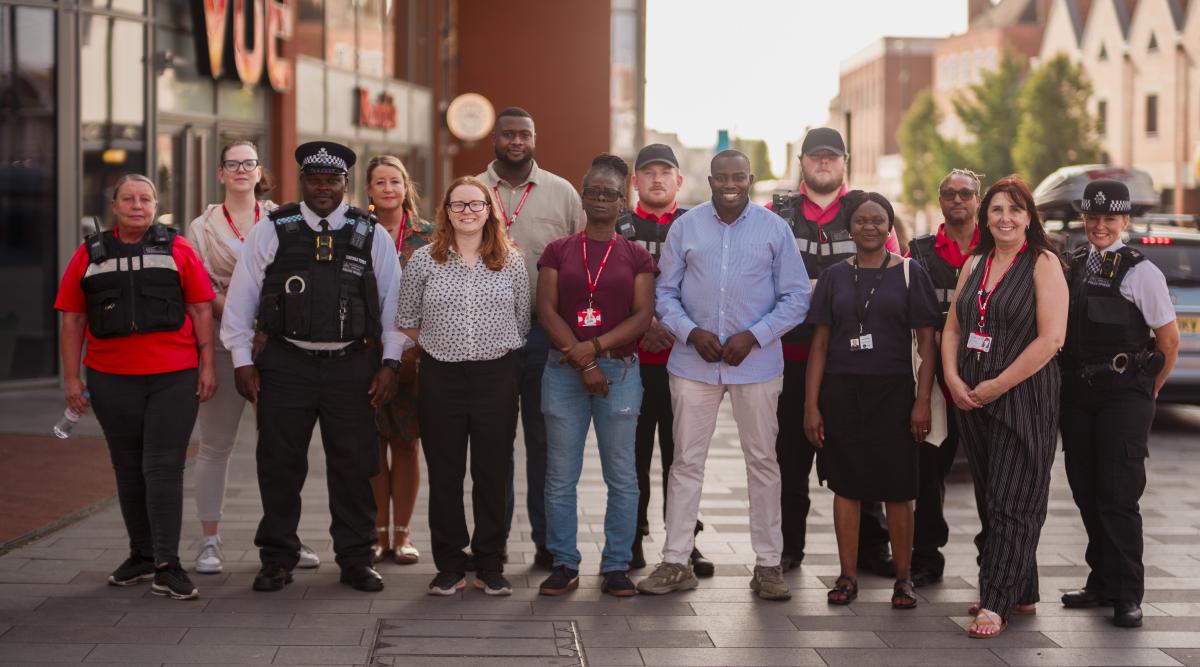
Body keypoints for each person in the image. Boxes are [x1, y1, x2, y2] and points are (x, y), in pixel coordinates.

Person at [222, 141, 405, 594]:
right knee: (279, 464)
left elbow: (395, 303)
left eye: (332, 180)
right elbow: (242, 296)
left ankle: (356, 558)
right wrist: (242, 360)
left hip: (352, 365)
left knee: (355, 464)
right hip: (286, 363)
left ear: (345, 184)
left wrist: (390, 363)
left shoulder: (370, 232)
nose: (323, 188)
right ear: (302, 181)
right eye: (314, 179)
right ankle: (277, 557)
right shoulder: (272, 229)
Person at [638, 150, 810, 601]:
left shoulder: (775, 229)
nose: (730, 183)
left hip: (756, 364)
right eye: (721, 177)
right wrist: (689, 332)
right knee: (685, 463)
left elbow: (796, 297)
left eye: (738, 176)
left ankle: (768, 565)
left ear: (750, 179)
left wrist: (755, 336)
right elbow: (664, 292)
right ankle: (676, 561)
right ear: (709, 180)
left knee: (763, 463)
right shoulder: (686, 227)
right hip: (693, 363)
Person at [55, 174, 216, 600]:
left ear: (156, 204)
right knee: (127, 468)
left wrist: (207, 367)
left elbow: (201, 310)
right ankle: (141, 556)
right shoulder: (89, 254)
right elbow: (72, 319)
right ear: (114, 205)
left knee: (162, 467)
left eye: (145, 198)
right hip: (110, 380)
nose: (137, 205)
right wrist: (72, 379)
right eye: (129, 198)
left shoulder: (178, 249)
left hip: (174, 377)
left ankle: (168, 564)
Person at [941, 176, 1068, 638]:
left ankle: (995, 601)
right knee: (993, 500)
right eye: (996, 210)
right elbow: (953, 328)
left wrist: (998, 384)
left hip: (1024, 396)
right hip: (973, 398)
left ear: (1029, 216)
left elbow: (1052, 339)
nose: (1005, 218)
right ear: (985, 217)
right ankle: (1021, 591)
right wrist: (954, 379)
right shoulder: (974, 263)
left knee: (1015, 501)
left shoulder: (1043, 262)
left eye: (1015, 210)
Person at [186, 140, 320, 575]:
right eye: (232, 164)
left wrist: (268, 326)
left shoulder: (285, 218)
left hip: (279, 346)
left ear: (259, 171)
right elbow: (202, 292)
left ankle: (286, 538)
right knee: (215, 446)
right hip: (228, 346)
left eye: (249, 163)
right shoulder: (201, 228)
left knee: (283, 448)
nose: (241, 170)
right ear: (221, 173)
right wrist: (246, 317)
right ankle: (209, 541)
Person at [802, 192, 940, 610]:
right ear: (849, 227)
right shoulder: (833, 277)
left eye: (878, 220)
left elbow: (927, 345)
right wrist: (812, 405)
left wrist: (922, 402)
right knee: (846, 487)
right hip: (842, 392)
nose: (870, 227)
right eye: (861, 220)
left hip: (894, 393)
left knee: (899, 489)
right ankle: (847, 576)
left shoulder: (910, 274)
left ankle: (903, 579)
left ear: (890, 225)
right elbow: (820, 345)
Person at [770, 127, 898, 575]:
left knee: (861, 454)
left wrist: (819, 288)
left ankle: (871, 550)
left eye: (831, 156)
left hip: (852, 362)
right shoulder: (777, 213)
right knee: (789, 460)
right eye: (814, 156)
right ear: (802, 162)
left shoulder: (867, 210)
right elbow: (759, 279)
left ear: (845, 161)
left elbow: (893, 276)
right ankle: (788, 550)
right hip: (790, 357)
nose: (823, 163)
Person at [397, 176, 529, 596]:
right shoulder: (423, 261)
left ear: (490, 211)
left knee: (492, 473)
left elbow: (522, 319)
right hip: (441, 377)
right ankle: (450, 564)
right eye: (459, 205)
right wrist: (443, 343)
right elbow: (407, 317)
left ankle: (489, 562)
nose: (468, 212)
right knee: (447, 474)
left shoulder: (511, 261)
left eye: (476, 205)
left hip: (496, 377)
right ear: (446, 212)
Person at [1059, 179, 1180, 628]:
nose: (1100, 225)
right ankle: (1102, 581)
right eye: (1093, 217)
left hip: (1123, 395)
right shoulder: (1072, 264)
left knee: (1118, 495)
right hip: (1079, 394)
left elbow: (1169, 341)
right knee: (1085, 489)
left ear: (1125, 220)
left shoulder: (1140, 271)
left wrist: (1148, 393)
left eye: (1110, 218)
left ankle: (1128, 594)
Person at [537, 154, 657, 598]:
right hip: (564, 369)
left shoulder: (636, 255)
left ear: (623, 202)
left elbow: (643, 315)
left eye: (610, 193)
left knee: (622, 475)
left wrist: (598, 349)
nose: (602, 199)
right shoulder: (558, 250)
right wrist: (584, 360)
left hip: (620, 371)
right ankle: (564, 562)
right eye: (594, 192)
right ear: (582, 197)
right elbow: (545, 310)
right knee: (559, 475)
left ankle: (616, 566)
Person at [476, 107, 585, 569]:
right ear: (494, 139)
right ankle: (493, 543)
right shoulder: (472, 191)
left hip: (546, 334)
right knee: (493, 442)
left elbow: (582, 263)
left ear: (535, 138)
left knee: (545, 442)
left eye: (524, 134)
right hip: (485, 332)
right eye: (507, 135)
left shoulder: (561, 192)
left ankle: (547, 542)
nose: (516, 142)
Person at [622, 144, 712, 576]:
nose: (657, 179)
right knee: (632, 455)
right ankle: (632, 538)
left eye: (666, 172)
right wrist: (644, 326)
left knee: (684, 456)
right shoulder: (619, 226)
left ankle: (684, 541)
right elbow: (605, 287)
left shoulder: (699, 226)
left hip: (686, 360)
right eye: (648, 172)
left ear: (679, 180)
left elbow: (710, 288)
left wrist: (672, 327)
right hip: (630, 363)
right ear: (634, 181)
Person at [904, 168, 983, 587]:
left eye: (965, 193)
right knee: (927, 474)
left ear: (977, 199)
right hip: (934, 383)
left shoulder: (996, 248)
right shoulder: (918, 251)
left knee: (991, 477)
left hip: (985, 382)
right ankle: (926, 556)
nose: (957, 200)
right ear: (940, 200)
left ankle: (994, 558)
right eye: (949, 193)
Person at [365, 155, 435, 565]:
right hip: (365, 353)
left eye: (395, 180)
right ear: (369, 190)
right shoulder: (357, 232)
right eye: (380, 182)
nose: (388, 188)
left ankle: (403, 534)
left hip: (414, 356)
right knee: (371, 446)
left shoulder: (427, 236)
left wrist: (420, 344)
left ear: (406, 186)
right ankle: (376, 532)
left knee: (406, 445)